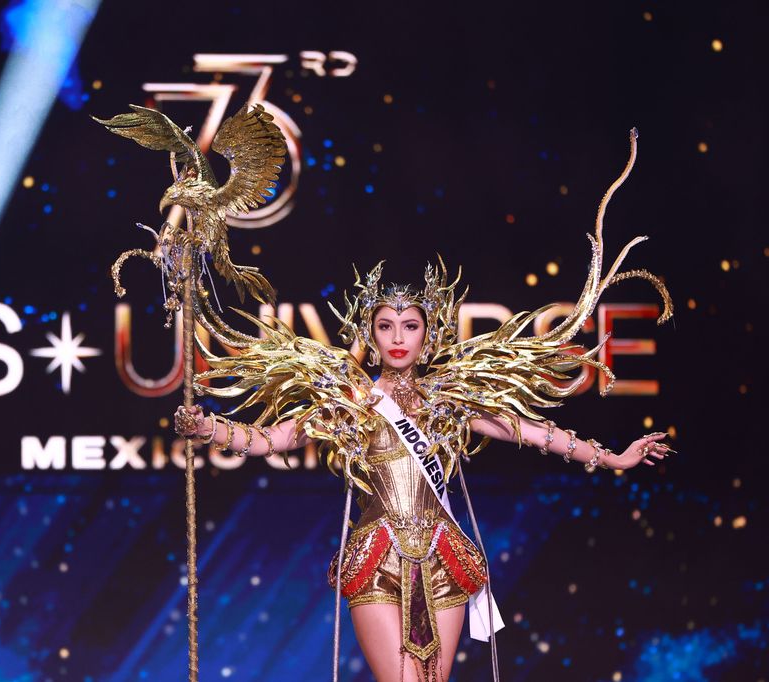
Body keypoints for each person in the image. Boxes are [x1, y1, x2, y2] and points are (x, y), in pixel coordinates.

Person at [168, 130, 673, 681]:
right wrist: (210, 428)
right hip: (378, 553)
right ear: (371, 334)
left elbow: (532, 432)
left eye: (410, 326)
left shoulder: (449, 399)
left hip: (443, 554)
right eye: (386, 326)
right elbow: (275, 439)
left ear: (428, 335)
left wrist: (615, 457)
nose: (398, 337)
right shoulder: (352, 398)